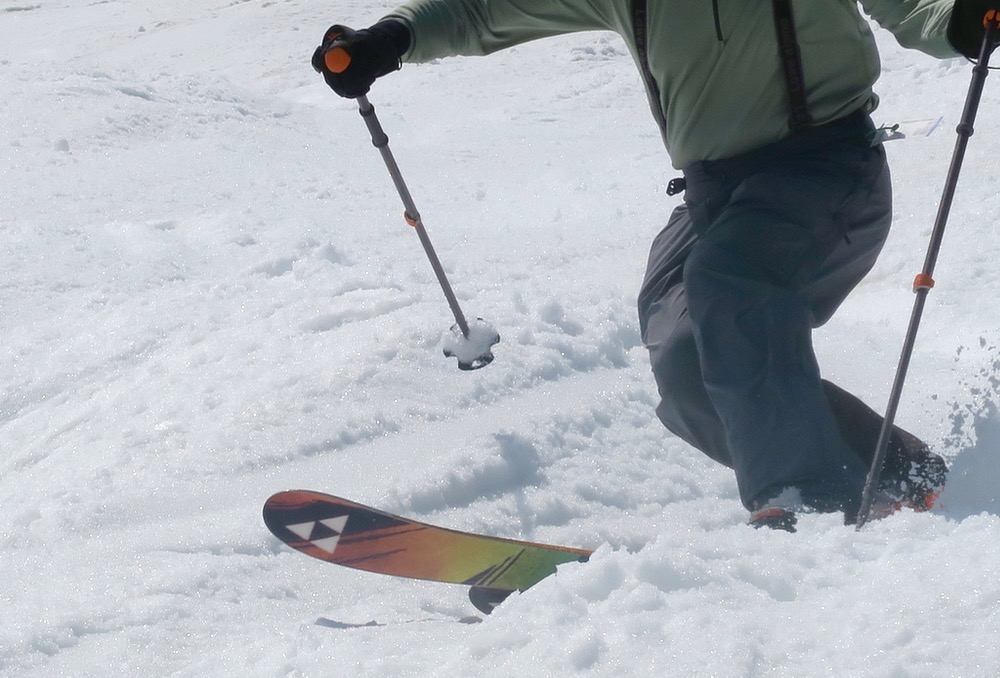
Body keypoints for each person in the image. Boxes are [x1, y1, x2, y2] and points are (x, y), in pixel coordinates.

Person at [312, 1, 999, 531]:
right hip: (713, 195)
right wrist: (391, 37)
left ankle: (809, 507)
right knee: (687, 359)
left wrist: (968, 20)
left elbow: (918, 5)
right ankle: (902, 480)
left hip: (825, 172)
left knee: (729, 287)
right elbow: (484, 11)